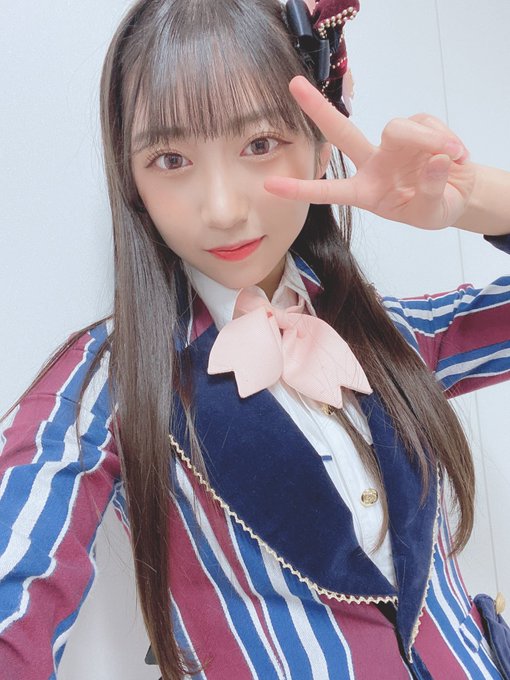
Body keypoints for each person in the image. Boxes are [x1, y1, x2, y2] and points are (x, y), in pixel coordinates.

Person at [1, 0, 509, 678]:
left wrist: (472, 197)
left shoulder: (386, 337)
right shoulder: (105, 384)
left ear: (320, 144)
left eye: (260, 143)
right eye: (171, 158)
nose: (223, 208)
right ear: (131, 178)